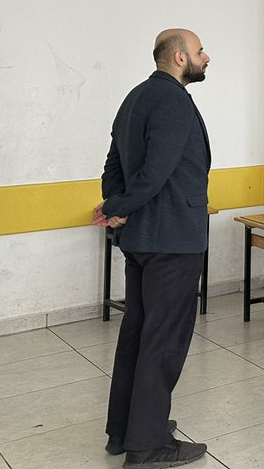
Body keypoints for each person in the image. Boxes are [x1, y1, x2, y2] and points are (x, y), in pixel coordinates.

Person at [96, 29, 212, 468]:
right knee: (163, 342)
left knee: (138, 335)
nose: (206, 57)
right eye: (200, 51)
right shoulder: (172, 100)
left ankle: (124, 431)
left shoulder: (135, 97)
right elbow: (159, 170)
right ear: (180, 57)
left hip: (143, 239)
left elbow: (114, 165)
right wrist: (119, 205)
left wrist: (116, 206)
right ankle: (146, 445)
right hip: (173, 240)